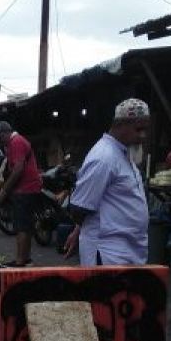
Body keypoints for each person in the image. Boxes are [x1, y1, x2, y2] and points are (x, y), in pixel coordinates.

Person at [64, 99, 151, 266]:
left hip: (126, 253)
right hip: (107, 255)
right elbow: (80, 208)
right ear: (120, 124)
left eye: (145, 130)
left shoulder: (123, 153)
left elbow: (96, 201)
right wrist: (84, 231)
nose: (143, 136)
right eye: (138, 129)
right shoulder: (104, 157)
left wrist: (78, 230)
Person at [0, 120, 43, 267]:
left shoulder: (16, 142)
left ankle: (21, 260)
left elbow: (18, 169)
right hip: (28, 188)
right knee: (26, 225)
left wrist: (4, 190)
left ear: (6, 133)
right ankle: (25, 259)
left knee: (21, 226)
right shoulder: (14, 143)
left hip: (25, 188)